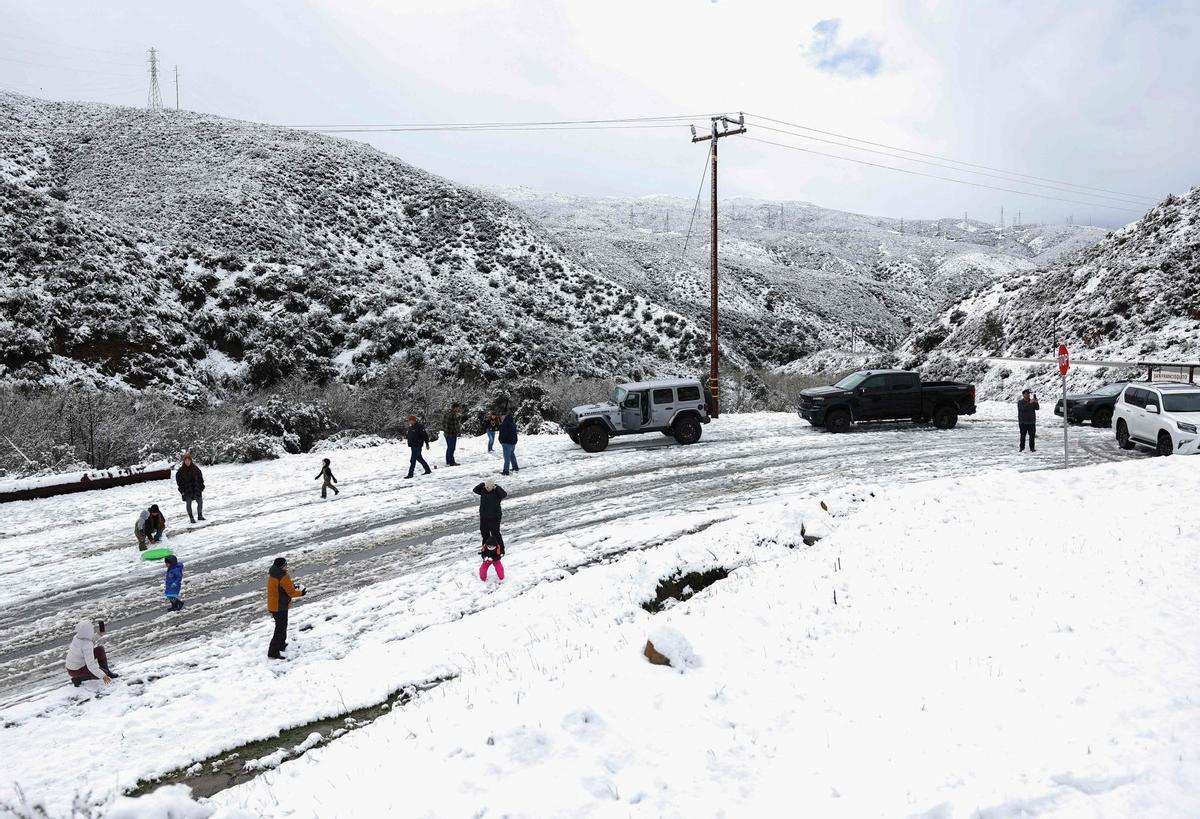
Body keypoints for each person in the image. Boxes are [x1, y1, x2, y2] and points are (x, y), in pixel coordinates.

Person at [267, 557, 306, 660]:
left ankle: (281, 645)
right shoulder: (283, 577)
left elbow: (282, 587)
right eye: (285, 565)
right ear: (281, 567)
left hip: (274, 605)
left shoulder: (273, 574)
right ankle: (273, 652)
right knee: (280, 629)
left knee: (281, 627)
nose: (287, 567)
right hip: (280, 606)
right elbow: (291, 593)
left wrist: (292, 585)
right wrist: (302, 593)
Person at [65, 619, 118, 686]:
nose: (92, 630)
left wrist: (99, 634)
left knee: (100, 649)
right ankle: (78, 679)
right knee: (103, 673)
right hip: (76, 671)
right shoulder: (87, 645)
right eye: (91, 629)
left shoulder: (77, 637)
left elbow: (87, 640)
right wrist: (103, 675)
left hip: (72, 667)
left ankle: (108, 673)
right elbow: (90, 665)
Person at [473, 479, 507, 549]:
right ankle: (485, 549)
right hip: (484, 516)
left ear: (493, 487)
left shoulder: (497, 493)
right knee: (485, 534)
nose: (488, 489)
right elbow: (475, 490)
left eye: (489, 487)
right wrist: (483, 484)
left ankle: (500, 549)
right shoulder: (483, 491)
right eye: (487, 487)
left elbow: (504, 494)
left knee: (495, 534)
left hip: (494, 517)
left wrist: (497, 487)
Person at [176, 453, 206, 523]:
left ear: (191, 460)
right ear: (184, 461)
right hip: (187, 490)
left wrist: (201, 486)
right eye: (186, 460)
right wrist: (182, 490)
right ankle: (191, 517)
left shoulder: (195, 468)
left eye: (188, 460)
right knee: (188, 503)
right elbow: (179, 482)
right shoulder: (180, 471)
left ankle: (200, 515)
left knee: (200, 502)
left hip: (196, 488)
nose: (187, 462)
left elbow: (200, 478)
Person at [404, 415, 432, 479]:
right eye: (409, 421)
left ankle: (410, 474)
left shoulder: (419, 427)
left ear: (414, 420)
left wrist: (427, 444)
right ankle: (427, 470)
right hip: (412, 446)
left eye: (410, 420)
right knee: (419, 458)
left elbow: (425, 435)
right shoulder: (410, 427)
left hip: (417, 445)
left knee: (413, 460)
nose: (409, 422)